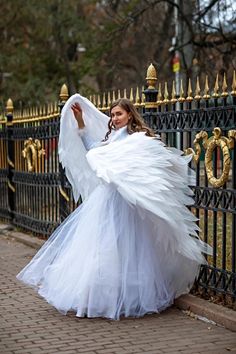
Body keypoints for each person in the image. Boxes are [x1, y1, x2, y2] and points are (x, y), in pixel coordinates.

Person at [17, 94, 212, 320]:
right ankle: (95, 298)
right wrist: (80, 123)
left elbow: (147, 168)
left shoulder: (139, 140)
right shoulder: (112, 140)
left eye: (119, 114)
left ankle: (128, 297)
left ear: (130, 114)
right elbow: (95, 152)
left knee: (130, 250)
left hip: (128, 204)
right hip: (107, 201)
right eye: (112, 115)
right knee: (103, 249)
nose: (115, 118)